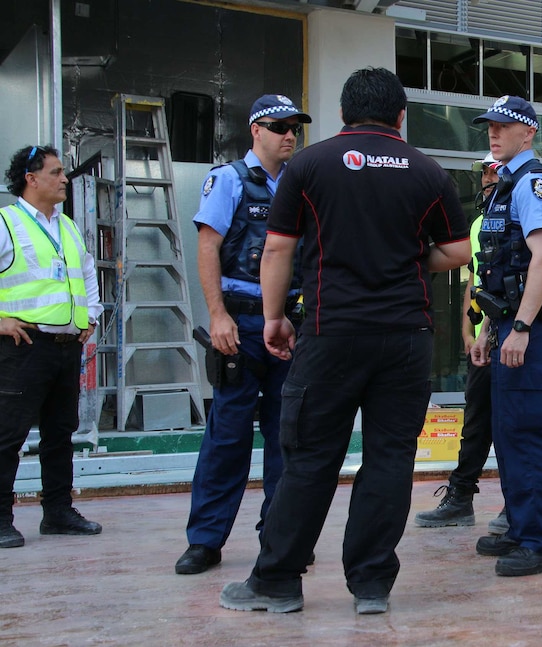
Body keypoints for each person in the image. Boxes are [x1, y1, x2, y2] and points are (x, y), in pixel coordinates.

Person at [218, 67, 470, 615]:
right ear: (401, 116)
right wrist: (409, 263)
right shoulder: (427, 172)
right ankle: (372, 586)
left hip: (330, 333)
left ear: (342, 114)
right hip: (406, 338)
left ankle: (278, 581)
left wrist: (272, 319)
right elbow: (456, 253)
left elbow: (278, 250)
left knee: (310, 458)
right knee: (390, 460)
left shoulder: (309, 166)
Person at [175, 95, 311, 575]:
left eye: (294, 127)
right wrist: (216, 315)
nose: (289, 134)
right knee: (228, 436)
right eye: (279, 127)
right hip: (240, 323)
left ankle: (278, 538)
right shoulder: (229, 180)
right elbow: (208, 247)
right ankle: (206, 540)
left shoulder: (299, 185)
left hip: (288, 325)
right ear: (256, 130)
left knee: (286, 437)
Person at [469, 96, 542, 577]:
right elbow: (497, 270)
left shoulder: (534, 184)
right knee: (509, 433)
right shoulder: (505, 185)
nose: (494, 132)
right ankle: (520, 527)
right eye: (490, 125)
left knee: (528, 432)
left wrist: (522, 328)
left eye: (504, 126)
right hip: (508, 323)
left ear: (527, 133)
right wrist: (490, 328)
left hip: (529, 326)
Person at [0, 145, 103, 548]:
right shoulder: (7, 223)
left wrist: (90, 316)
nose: (65, 179)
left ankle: (58, 512)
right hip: (23, 347)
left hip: (65, 347)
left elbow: (87, 273)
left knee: (60, 433)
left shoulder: (67, 226)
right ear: (31, 178)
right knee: (8, 436)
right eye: (57, 172)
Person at [414, 152, 508, 535]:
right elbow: (475, 283)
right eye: (483, 173)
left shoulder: (526, 214)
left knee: (514, 423)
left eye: (491, 172)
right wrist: (471, 332)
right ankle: (461, 498)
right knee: (476, 421)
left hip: (516, 335)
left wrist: (519, 330)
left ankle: (515, 504)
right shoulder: (479, 224)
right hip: (487, 338)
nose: (485, 179)